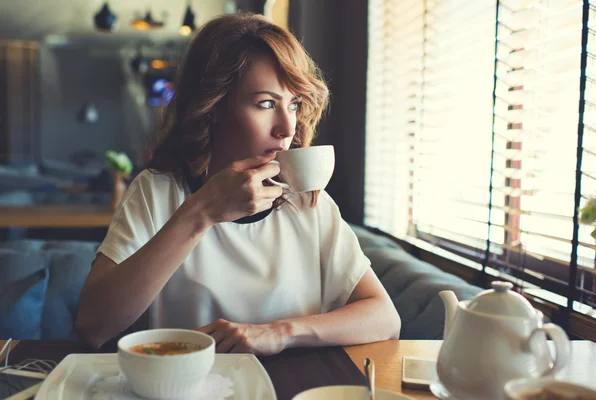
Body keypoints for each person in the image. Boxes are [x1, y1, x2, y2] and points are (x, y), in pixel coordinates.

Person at [75, 13, 401, 355]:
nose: (287, 128)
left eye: (293, 104)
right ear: (213, 106)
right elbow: (93, 327)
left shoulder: (307, 201)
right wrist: (201, 212)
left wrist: (280, 333)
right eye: (265, 103)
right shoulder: (157, 192)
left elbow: (385, 318)